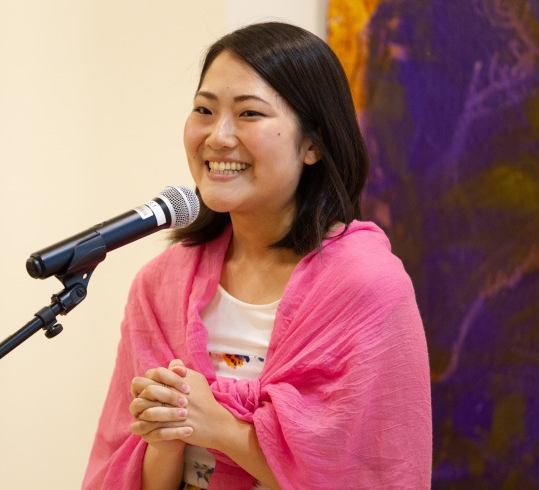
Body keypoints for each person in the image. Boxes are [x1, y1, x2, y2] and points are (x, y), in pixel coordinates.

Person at [82, 22, 432, 490]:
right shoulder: (159, 285)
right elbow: (128, 469)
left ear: (313, 143)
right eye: (204, 110)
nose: (219, 136)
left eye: (249, 114)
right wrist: (165, 440)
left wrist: (220, 428)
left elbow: (370, 475)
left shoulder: (368, 286)